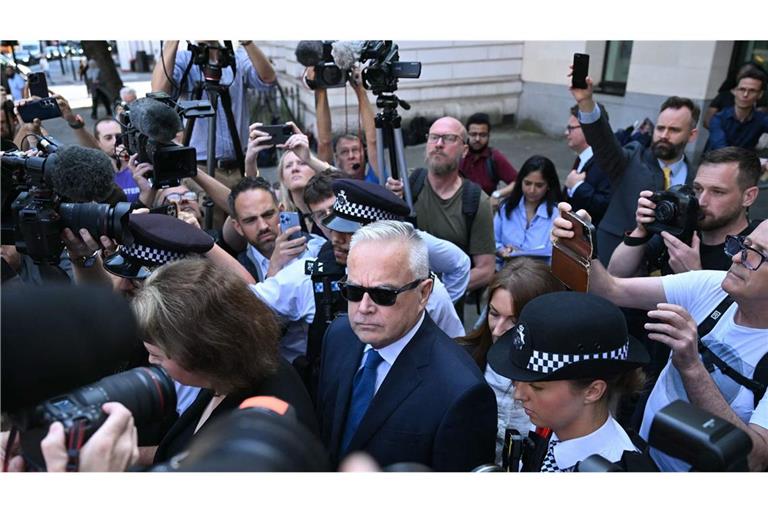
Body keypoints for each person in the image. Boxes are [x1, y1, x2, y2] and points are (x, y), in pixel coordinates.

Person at [553, 203, 768, 471]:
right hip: (640, 457)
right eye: (743, 245)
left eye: (757, 255)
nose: (737, 258)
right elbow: (610, 290)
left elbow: (754, 460)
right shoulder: (713, 287)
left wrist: (691, 366)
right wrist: (581, 243)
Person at [316, 220, 496, 470]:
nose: (364, 308)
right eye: (354, 291)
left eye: (383, 295)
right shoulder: (338, 337)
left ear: (424, 293)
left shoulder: (462, 392)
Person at [132, 258, 318, 465]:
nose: (151, 361)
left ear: (200, 351)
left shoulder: (263, 425)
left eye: (157, 355)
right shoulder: (224, 377)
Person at [487, 291, 651, 471]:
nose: (518, 394)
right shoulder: (553, 426)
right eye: (517, 380)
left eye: (537, 387)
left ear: (593, 391)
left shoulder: (618, 471)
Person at [569, 69, 700, 267]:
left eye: (674, 130)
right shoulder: (632, 158)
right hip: (611, 258)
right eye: (660, 127)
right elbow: (603, 143)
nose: (664, 135)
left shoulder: (697, 178)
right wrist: (586, 102)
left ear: (692, 135)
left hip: (662, 273)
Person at [458, 258, 565, 464]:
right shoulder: (463, 359)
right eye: (494, 314)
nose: (497, 330)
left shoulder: (561, 377)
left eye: (514, 321)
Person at [609, 146, 762, 278]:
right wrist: (641, 231)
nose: (701, 201)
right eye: (698, 189)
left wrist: (694, 275)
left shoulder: (756, 251)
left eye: (717, 192)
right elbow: (616, 274)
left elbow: (743, 311)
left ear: (748, 197)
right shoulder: (682, 228)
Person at [386, 116, 496, 294]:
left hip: (447, 308)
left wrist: (437, 295)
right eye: (433, 137)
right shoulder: (406, 184)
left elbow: (485, 270)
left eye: (449, 138)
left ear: (465, 150)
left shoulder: (476, 201)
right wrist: (388, 203)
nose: (438, 144)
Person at [151, 40, 276, 191]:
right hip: (199, 170)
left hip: (239, 166)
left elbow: (268, 80)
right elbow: (159, 92)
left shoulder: (236, 58)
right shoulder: (185, 59)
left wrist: (248, 42)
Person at [313, 67, 380, 182]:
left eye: (356, 150)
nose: (351, 156)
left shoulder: (376, 178)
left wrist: (360, 90)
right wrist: (320, 85)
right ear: (337, 159)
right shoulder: (330, 183)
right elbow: (324, 143)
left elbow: (372, 141)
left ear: (365, 154)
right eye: (344, 152)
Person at [493, 155, 563, 265]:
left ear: (549, 185)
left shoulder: (557, 216)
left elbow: (558, 254)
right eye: (527, 183)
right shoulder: (506, 208)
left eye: (539, 185)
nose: (531, 190)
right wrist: (503, 251)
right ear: (520, 182)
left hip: (540, 276)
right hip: (507, 274)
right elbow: (493, 241)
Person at [562, 104, 612, 227]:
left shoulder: (606, 162)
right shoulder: (582, 157)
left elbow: (606, 205)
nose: (566, 132)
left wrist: (578, 186)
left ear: (588, 129)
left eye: (571, 128)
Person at [459, 112, 518, 200]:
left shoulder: (494, 157)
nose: (477, 139)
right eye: (473, 134)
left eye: (482, 135)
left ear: (488, 136)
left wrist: (497, 194)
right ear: (467, 135)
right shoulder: (458, 154)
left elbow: (517, 181)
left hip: (486, 208)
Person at [706, 68, 768, 151]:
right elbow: (721, 148)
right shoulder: (719, 118)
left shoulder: (761, 119)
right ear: (735, 91)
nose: (745, 95)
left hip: (744, 162)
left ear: (760, 94)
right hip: (716, 162)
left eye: (752, 91)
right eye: (742, 89)